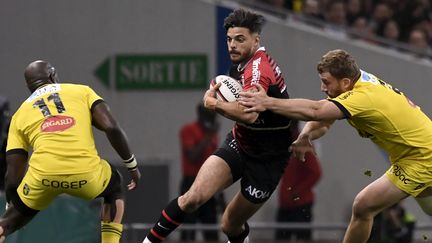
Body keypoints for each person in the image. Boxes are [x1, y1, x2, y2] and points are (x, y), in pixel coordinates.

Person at [238, 49, 432, 243]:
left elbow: (317, 111)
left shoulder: (363, 97)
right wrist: (306, 135)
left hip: (421, 157)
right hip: (417, 152)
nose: (323, 87)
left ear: (345, 82)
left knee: (363, 206)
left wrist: (267, 102)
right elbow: (325, 119)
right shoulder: (355, 83)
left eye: (326, 82)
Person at [142, 8, 294, 243]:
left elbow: (249, 114)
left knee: (229, 225)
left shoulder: (258, 70)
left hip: (269, 160)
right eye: (229, 39)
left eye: (240, 39)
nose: (232, 45)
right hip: (240, 144)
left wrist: (213, 103)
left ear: (256, 40)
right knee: (191, 198)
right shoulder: (241, 64)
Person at [0, 60, 141, 243]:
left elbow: (13, 173)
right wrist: (132, 166)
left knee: (5, 224)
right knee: (114, 185)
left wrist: (14, 206)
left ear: (29, 86)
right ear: (52, 75)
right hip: (86, 175)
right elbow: (112, 128)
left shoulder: (19, 115)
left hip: (42, 178)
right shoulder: (81, 91)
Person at [178, 102, 222, 241]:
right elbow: (192, 156)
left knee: (211, 230)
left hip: (210, 183)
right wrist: (208, 137)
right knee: (188, 229)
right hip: (191, 182)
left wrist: (220, 194)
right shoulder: (188, 130)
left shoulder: (213, 135)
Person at [275, 121, 321, 241]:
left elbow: (315, 173)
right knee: (281, 238)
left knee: (301, 239)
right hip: (286, 203)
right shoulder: (285, 144)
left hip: (300, 204)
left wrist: (296, 191)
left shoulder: (302, 144)